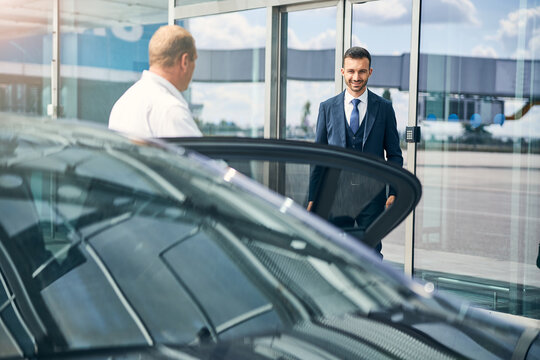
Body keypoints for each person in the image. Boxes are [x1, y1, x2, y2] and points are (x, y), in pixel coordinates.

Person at [307, 46, 403, 255]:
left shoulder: (384, 108)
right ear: (343, 72)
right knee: (335, 252)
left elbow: (394, 154)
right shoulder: (327, 108)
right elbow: (319, 157)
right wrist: (313, 197)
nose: (356, 77)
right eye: (351, 71)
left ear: (370, 72)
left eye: (361, 71)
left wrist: (394, 191)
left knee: (371, 252)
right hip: (336, 196)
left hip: (373, 196)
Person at [109, 25, 202, 138]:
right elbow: (196, 155)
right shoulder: (170, 109)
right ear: (185, 61)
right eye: (195, 60)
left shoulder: (123, 103)